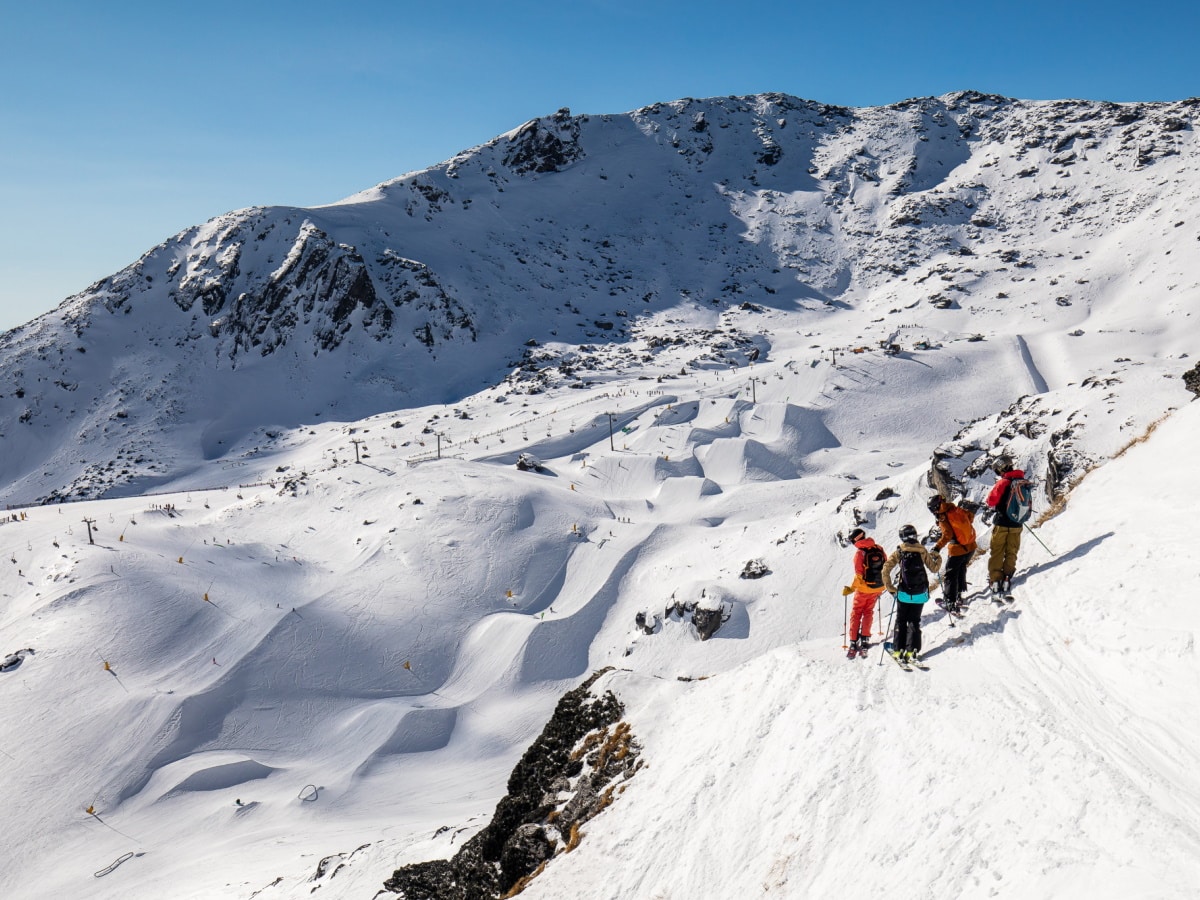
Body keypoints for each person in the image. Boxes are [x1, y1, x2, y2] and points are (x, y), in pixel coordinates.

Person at [882, 524, 942, 665]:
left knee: (901, 620)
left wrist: (891, 589)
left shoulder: (900, 551)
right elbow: (934, 569)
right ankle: (913, 651)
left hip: (903, 593)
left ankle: (898, 650)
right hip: (920, 594)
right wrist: (937, 557)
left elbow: (885, 569)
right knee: (914, 621)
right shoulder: (922, 551)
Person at [928, 494, 978, 612]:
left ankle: (950, 602)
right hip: (971, 546)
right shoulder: (955, 508)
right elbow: (970, 516)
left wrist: (937, 547)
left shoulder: (943, 517)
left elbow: (947, 535)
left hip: (957, 549)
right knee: (961, 568)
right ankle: (959, 595)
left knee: (950, 574)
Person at [986, 456, 1026, 600]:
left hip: (1002, 522)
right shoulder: (1022, 481)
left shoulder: (1003, 482)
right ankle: (1008, 575)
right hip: (1017, 523)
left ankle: (996, 579)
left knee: (997, 551)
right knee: (1012, 550)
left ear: (1001, 468)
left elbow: (991, 501)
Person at [843, 527, 887, 655]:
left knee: (856, 612)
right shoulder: (878, 548)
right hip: (878, 587)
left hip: (864, 589)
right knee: (868, 611)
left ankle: (853, 640)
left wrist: (851, 588)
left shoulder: (859, 553)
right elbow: (886, 564)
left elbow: (859, 576)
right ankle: (865, 637)